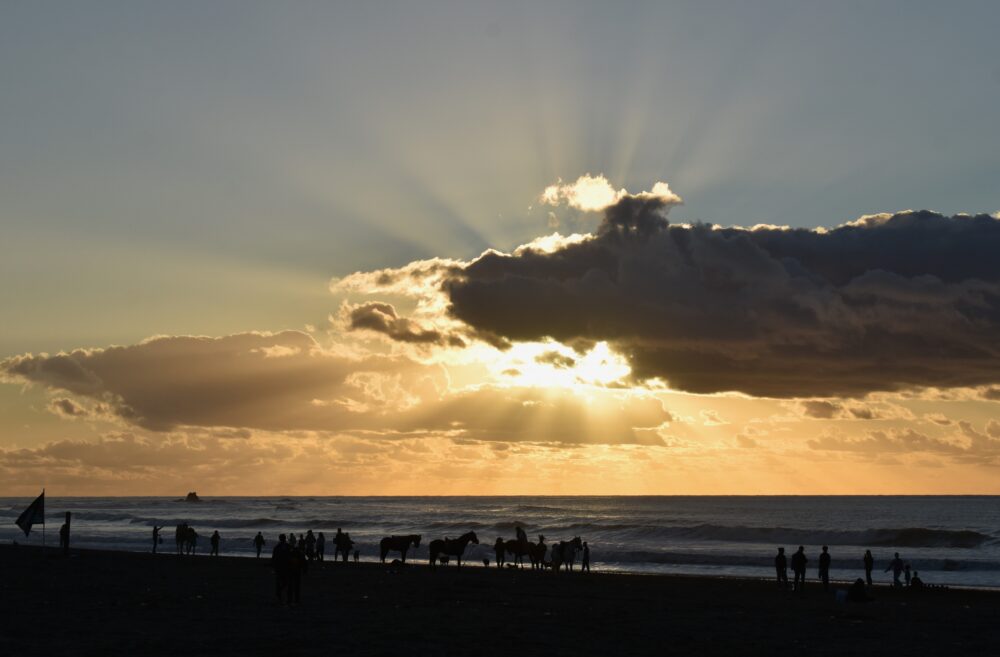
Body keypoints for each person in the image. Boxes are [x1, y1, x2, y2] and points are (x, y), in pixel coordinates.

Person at [272, 534, 291, 603]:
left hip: (279, 567)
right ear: (285, 538)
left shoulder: (277, 547)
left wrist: (274, 567)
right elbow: (291, 556)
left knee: (279, 581)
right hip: (286, 567)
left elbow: (274, 558)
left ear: (280, 539)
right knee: (285, 581)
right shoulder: (288, 546)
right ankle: (281, 594)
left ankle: (279, 594)